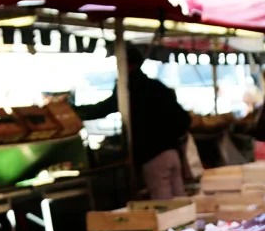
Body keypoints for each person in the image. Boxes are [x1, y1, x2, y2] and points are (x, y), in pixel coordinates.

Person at [77, 43, 191, 199]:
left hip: (153, 156)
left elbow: (104, 108)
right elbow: (184, 119)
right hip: (172, 153)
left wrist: (75, 113)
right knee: (180, 200)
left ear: (125, 64)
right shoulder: (157, 87)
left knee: (166, 205)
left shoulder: (129, 89)